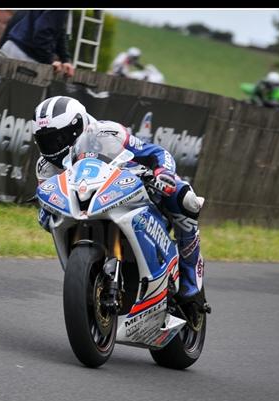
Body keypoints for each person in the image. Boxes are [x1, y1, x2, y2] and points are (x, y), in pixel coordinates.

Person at [33, 95, 205, 307]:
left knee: (185, 198)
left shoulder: (107, 131)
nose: (52, 146)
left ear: (76, 127)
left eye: (57, 138)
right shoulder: (45, 166)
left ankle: (191, 278)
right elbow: (46, 202)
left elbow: (157, 152)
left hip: (134, 184)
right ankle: (90, 280)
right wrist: (45, 211)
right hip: (88, 204)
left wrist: (164, 174)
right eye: (45, 141)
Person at [0, 10, 75, 78]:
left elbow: (59, 29)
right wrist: (49, 60)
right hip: (24, 56)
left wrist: (65, 59)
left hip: (13, 47)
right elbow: (42, 32)